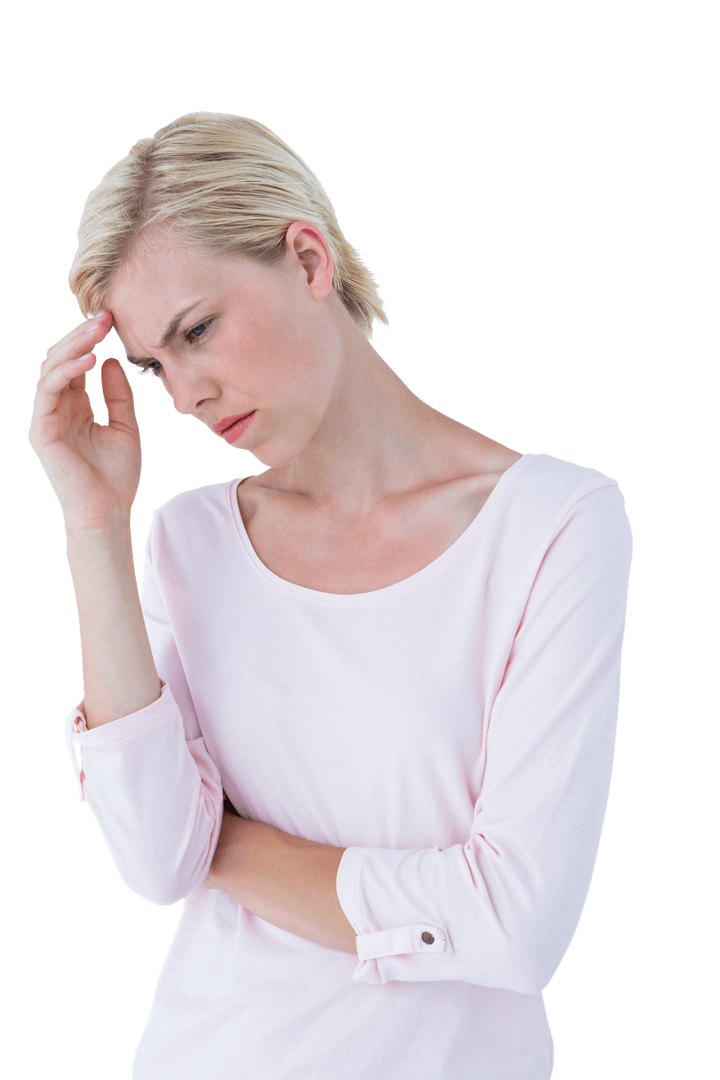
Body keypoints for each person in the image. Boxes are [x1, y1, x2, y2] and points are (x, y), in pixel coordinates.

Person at [28, 111, 634, 1080]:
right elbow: (151, 862)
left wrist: (215, 841)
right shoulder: (190, 538)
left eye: (197, 331)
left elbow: (517, 926)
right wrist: (94, 527)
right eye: (153, 364)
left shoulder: (555, 524)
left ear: (308, 259)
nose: (184, 395)